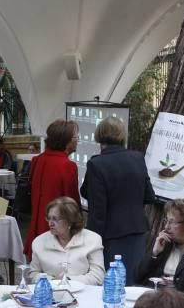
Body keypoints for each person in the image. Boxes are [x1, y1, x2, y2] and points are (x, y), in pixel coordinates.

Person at [80, 116, 155, 277]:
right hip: (137, 230)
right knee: (133, 281)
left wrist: (91, 240)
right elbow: (149, 195)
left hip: (110, 235)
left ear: (99, 135)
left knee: (110, 284)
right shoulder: (137, 158)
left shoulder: (97, 164)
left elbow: (97, 209)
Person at [23, 119, 80, 259]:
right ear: (66, 140)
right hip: (57, 231)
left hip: (37, 225)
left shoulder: (38, 160)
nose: (78, 140)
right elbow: (72, 204)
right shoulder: (67, 165)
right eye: (76, 137)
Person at [29, 197, 105, 286]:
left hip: (84, 294)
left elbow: (98, 277)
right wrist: (53, 280)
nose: (50, 223)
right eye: (49, 218)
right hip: (51, 293)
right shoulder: (39, 242)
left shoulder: (92, 239)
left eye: (55, 219)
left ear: (70, 221)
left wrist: (68, 280)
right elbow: (33, 275)